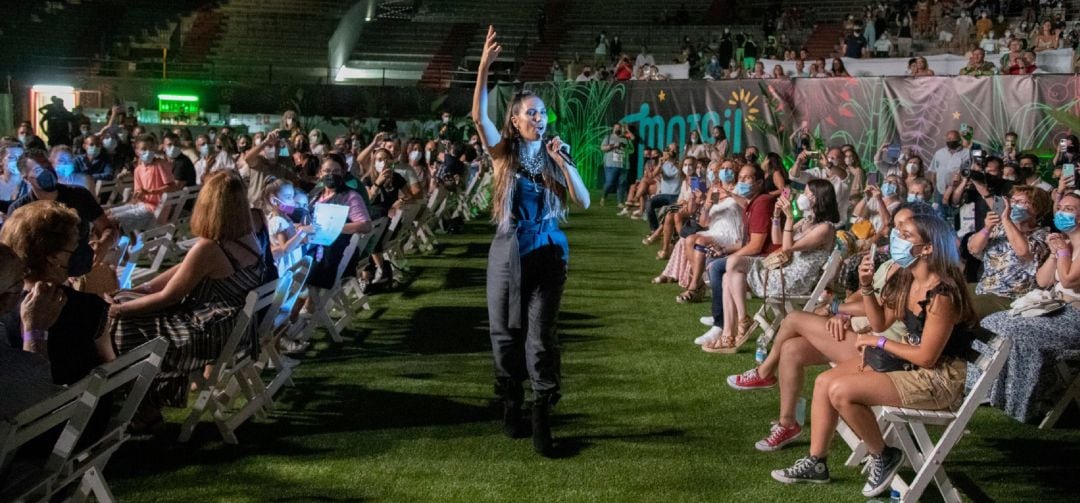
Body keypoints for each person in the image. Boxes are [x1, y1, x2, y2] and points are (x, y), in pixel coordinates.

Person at [771, 209, 976, 499]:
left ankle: (883, 455)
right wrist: (866, 287)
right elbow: (881, 322)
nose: (898, 240)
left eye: (906, 236)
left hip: (937, 379)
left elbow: (927, 358)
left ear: (928, 248)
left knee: (841, 391)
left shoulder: (942, 294)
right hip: (909, 363)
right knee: (823, 383)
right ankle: (817, 463)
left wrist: (877, 343)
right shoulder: (909, 278)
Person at [472, 26, 590, 457]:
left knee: (540, 337)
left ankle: (542, 410)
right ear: (515, 119)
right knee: (504, 335)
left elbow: (584, 199)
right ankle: (511, 399)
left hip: (549, 250)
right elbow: (478, 118)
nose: (539, 118)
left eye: (543, 113)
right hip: (508, 249)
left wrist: (566, 163)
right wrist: (485, 66)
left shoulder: (556, 152)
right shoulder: (502, 153)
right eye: (531, 113)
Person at [108, 171, 271, 430]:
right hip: (234, 330)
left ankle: (146, 407)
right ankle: (148, 404)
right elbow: (179, 274)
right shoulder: (248, 238)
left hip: (209, 335)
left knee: (124, 329)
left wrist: (119, 310)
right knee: (131, 306)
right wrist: (137, 292)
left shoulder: (210, 248)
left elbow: (169, 296)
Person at [976, 191, 1080, 424]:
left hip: (1073, 318)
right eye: (1061, 207)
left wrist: (1062, 251)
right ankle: (986, 388)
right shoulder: (1064, 243)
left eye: (1070, 209)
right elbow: (1044, 281)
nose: (1062, 212)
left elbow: (1070, 278)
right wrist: (1055, 254)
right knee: (995, 322)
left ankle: (1022, 401)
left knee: (1014, 328)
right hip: (1055, 310)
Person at [706, 180, 839, 352]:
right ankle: (731, 331)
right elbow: (778, 241)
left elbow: (788, 247)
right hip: (783, 271)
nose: (803, 197)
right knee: (729, 271)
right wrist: (776, 215)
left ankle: (738, 325)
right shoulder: (808, 220)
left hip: (794, 280)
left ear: (819, 198)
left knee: (731, 269)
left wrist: (790, 217)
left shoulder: (825, 229)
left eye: (807, 194)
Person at [0, 200, 116, 385]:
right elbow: (111, 366)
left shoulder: (5, 306)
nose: (83, 249)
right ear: (54, 257)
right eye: (76, 243)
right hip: (85, 408)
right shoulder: (89, 307)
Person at [698, 164, 776, 348]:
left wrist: (729, 256)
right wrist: (724, 250)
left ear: (759, 182)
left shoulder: (762, 202)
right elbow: (704, 221)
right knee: (719, 266)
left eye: (746, 178)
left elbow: (756, 246)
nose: (741, 181)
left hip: (766, 260)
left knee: (717, 267)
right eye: (740, 177)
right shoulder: (751, 203)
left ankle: (722, 323)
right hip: (752, 254)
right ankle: (727, 329)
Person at [8, 149, 118, 279]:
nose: (46, 172)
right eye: (38, 170)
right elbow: (13, 254)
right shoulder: (20, 210)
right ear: (26, 179)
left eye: (47, 166)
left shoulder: (79, 195)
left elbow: (108, 228)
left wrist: (104, 243)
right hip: (42, 280)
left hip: (81, 272)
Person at [967, 185, 1052, 317]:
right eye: (1012, 201)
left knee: (962, 310)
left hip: (1011, 298)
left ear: (1037, 208)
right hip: (984, 289)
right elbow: (973, 248)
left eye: (1021, 202)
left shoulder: (1042, 235)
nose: (1012, 206)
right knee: (944, 295)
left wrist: (1006, 219)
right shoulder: (999, 228)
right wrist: (987, 228)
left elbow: (1023, 252)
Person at [106, 135, 184, 234]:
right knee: (105, 215)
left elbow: (172, 187)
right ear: (137, 151)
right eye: (144, 149)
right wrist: (134, 198)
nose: (148, 151)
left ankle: (118, 243)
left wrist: (150, 192)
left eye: (151, 148)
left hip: (155, 210)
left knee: (113, 220)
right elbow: (139, 194)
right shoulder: (138, 169)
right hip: (141, 205)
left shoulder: (160, 165)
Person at [790, 148, 853, 222]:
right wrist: (798, 162)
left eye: (834, 158)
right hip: (811, 220)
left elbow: (844, 175)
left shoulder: (847, 175)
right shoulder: (817, 172)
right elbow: (794, 176)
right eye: (828, 157)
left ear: (843, 160)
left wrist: (829, 165)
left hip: (834, 223)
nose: (829, 159)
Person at [601, 123, 633, 208]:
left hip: (623, 165)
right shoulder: (608, 137)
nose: (618, 129)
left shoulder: (626, 139)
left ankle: (620, 202)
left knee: (622, 184)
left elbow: (632, 150)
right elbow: (602, 148)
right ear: (613, 129)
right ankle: (604, 197)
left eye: (619, 128)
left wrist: (624, 149)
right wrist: (613, 146)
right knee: (609, 183)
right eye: (616, 128)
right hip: (611, 165)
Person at [0, 140, 26, 204]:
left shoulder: (31, 185)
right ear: (1, 161)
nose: (17, 161)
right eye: (12, 157)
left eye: (20, 157)